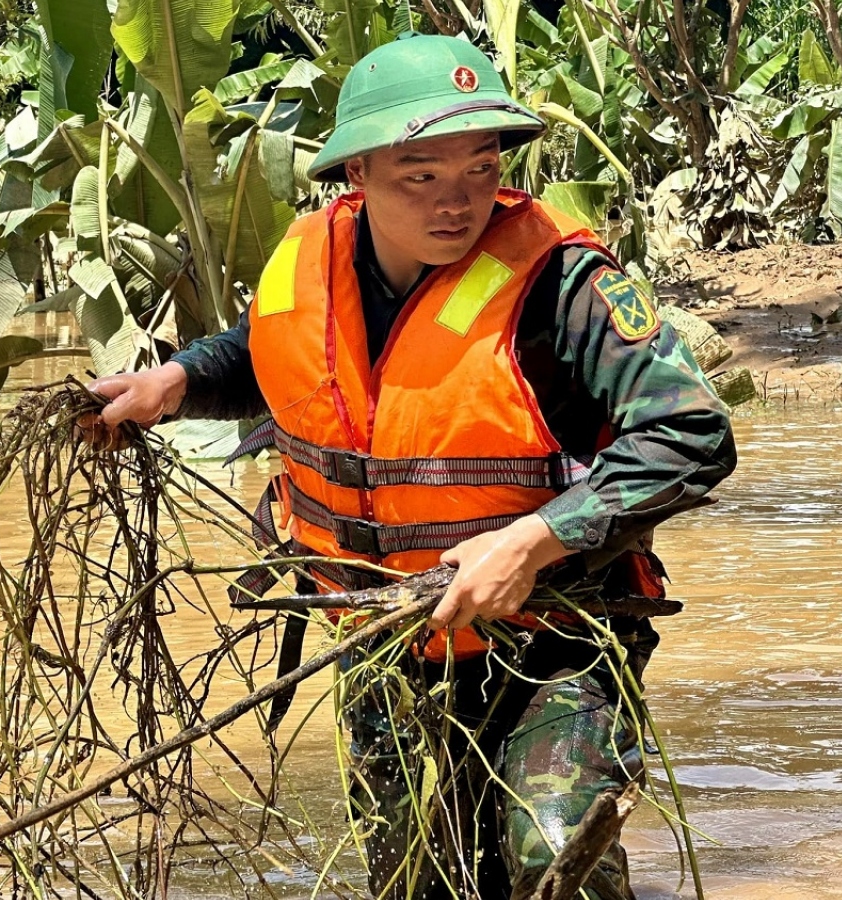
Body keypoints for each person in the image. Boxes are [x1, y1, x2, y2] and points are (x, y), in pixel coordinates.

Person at [88, 33, 736, 900]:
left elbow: (692, 437)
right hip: (385, 635)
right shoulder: (311, 255)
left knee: (552, 855)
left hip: (557, 637)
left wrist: (533, 541)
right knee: (415, 883)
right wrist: (174, 382)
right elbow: (265, 351)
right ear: (356, 175)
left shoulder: (563, 283)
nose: (456, 201)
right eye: (420, 174)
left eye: (479, 167)